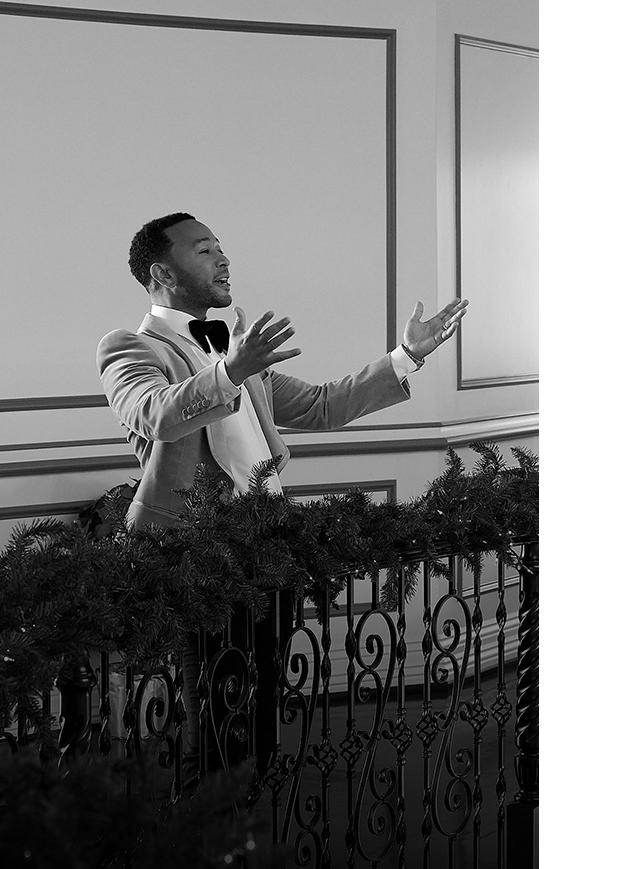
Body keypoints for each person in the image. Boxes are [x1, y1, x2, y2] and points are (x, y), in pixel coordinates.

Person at [96, 211, 468, 785]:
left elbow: (322, 405)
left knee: (260, 698)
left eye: (222, 247)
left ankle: (254, 822)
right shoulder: (129, 347)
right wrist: (229, 372)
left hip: (268, 547)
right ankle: (208, 830)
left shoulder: (238, 349)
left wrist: (405, 356)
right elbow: (157, 415)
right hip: (192, 554)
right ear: (160, 271)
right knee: (213, 709)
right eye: (203, 250)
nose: (223, 259)